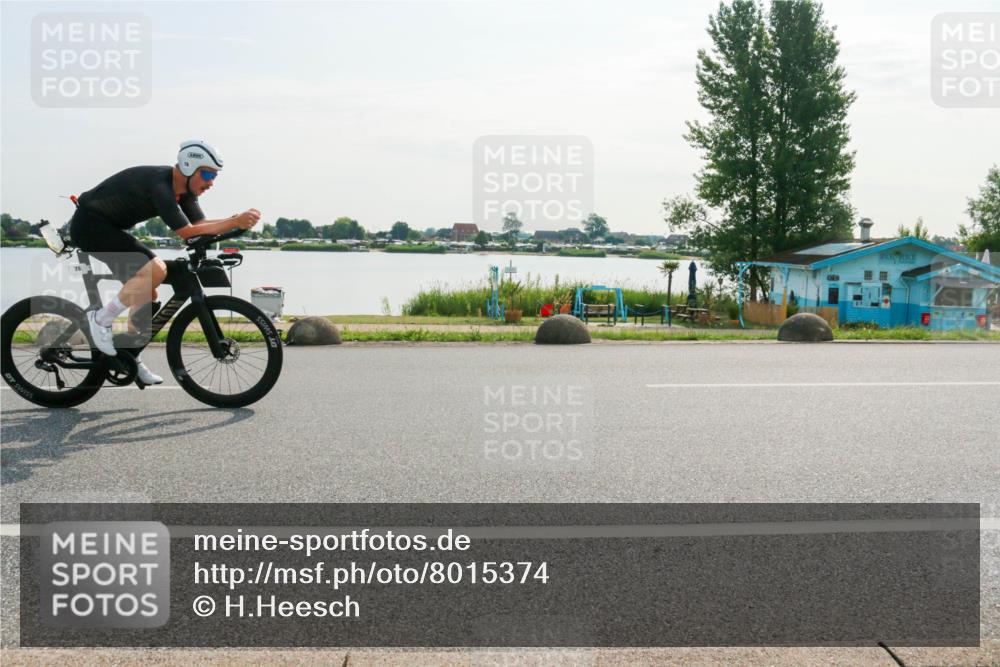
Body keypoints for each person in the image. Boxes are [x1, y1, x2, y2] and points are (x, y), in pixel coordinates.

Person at [69, 140, 260, 384]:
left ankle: (129, 355)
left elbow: (200, 226)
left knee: (147, 294)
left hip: (110, 228)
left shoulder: (184, 193)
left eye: (215, 176)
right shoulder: (160, 185)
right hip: (90, 225)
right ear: (189, 167)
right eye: (208, 174)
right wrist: (235, 222)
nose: (211, 182)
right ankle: (100, 320)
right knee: (156, 268)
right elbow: (186, 232)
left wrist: (235, 219)